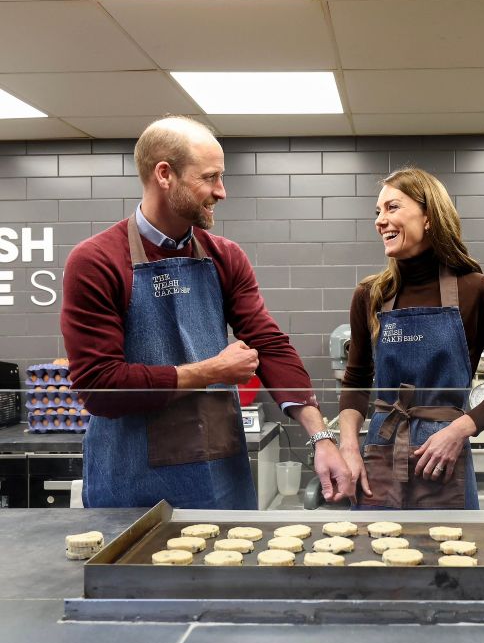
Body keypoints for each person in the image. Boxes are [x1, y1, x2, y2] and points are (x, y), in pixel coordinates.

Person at [61, 115, 351, 509]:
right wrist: (210, 371)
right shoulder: (97, 260)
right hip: (131, 479)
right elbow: (99, 387)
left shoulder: (225, 256)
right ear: (165, 174)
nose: (222, 191)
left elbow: (268, 344)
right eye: (210, 177)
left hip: (218, 470)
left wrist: (320, 437)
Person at [338, 167, 484, 509]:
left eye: (392, 208)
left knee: (449, 557)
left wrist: (460, 430)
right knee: (374, 554)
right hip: (381, 448)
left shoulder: (478, 290)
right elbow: (356, 382)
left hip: (442, 455)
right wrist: (348, 447)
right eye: (378, 212)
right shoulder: (370, 295)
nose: (380, 220)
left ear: (428, 217)